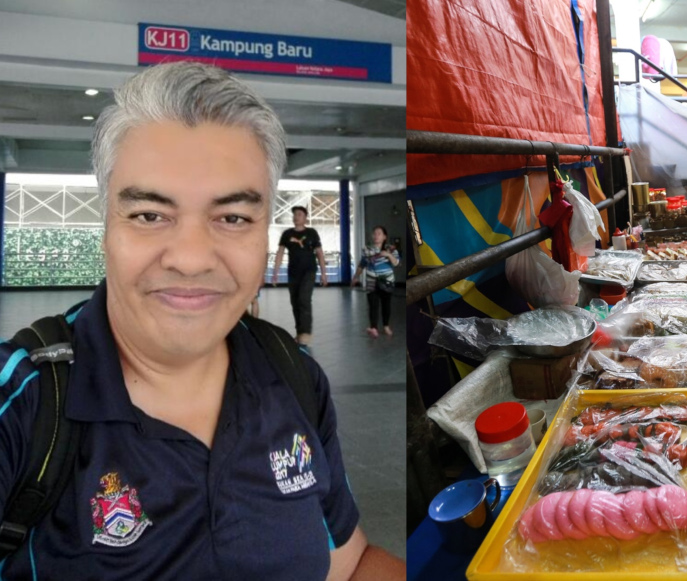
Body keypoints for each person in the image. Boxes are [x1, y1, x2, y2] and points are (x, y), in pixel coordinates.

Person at [0, 62, 404, 579]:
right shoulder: (27, 406)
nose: (191, 259)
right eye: (149, 214)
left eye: (232, 217)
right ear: (106, 231)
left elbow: (348, 566)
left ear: (262, 233)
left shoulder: (296, 376)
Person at [271, 206, 328, 347]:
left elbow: (320, 253)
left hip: (309, 271)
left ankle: (306, 333)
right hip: (293, 273)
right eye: (294, 214)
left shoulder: (311, 233)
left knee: (304, 299)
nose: (296, 217)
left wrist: (324, 273)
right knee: (295, 302)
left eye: (299, 214)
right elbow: (280, 253)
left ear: (305, 217)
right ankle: (299, 333)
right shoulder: (287, 234)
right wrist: (275, 272)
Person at [351, 226, 399, 338]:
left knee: (386, 304)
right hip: (371, 281)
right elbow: (362, 264)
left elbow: (396, 263)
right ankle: (373, 328)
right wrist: (356, 277)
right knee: (373, 304)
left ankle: (386, 326)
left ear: (384, 237)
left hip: (387, 281)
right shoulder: (367, 249)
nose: (376, 236)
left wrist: (388, 255)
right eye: (375, 233)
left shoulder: (391, 249)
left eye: (379, 233)